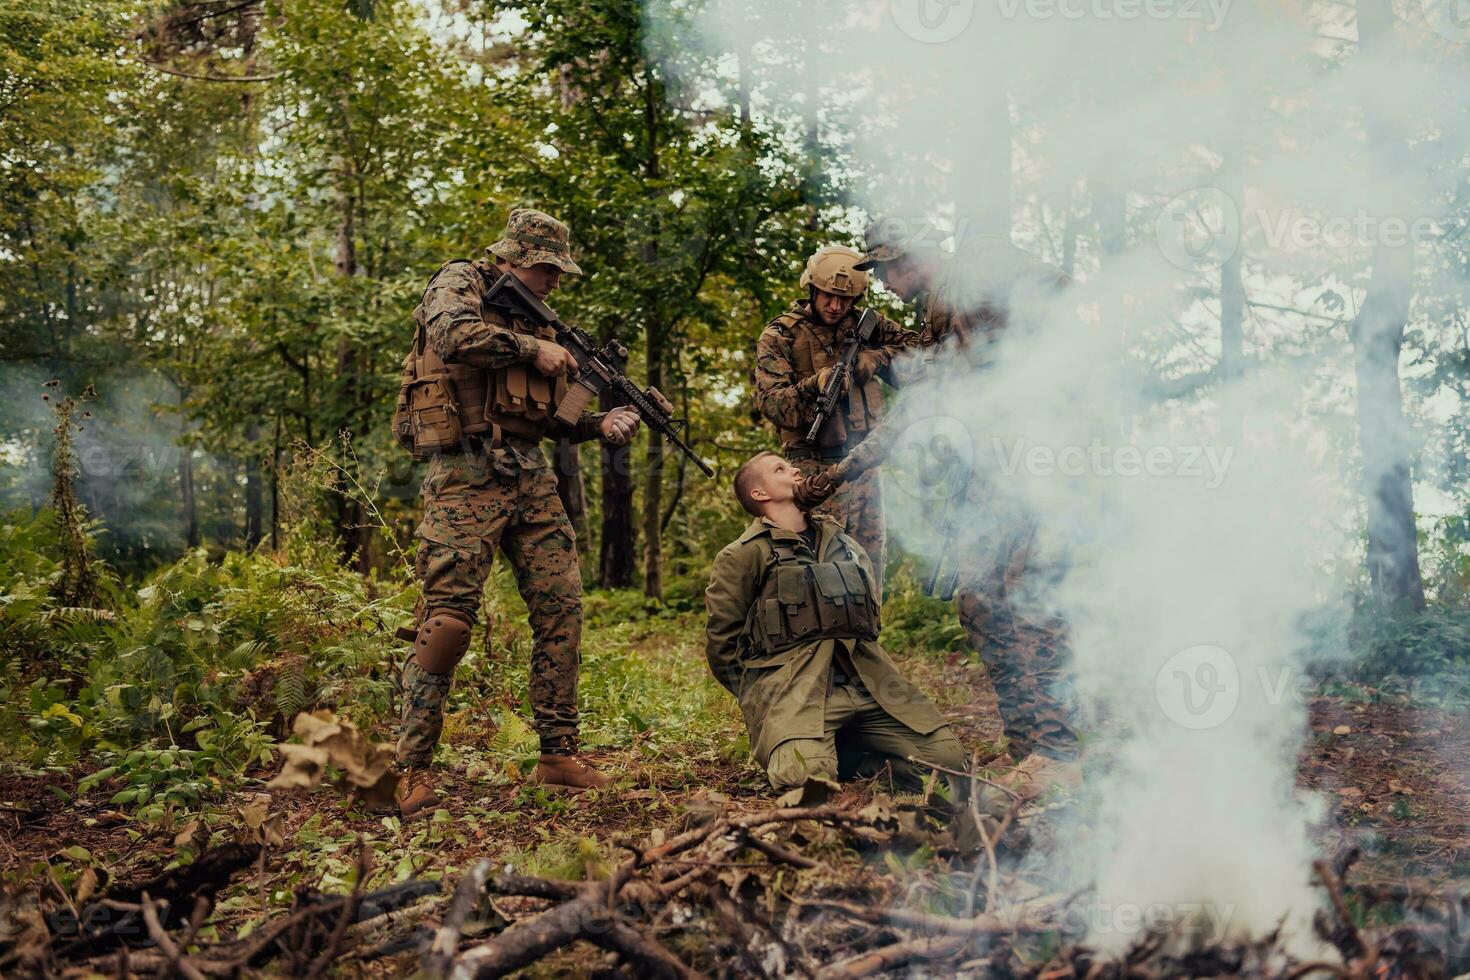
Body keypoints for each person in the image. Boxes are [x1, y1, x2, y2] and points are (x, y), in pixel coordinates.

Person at [395, 207, 666, 819]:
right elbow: (450, 335)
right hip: (464, 473)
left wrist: (601, 424)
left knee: (561, 605)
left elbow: (549, 420)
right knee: (447, 625)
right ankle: (410, 768)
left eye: (560, 271)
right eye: (548, 268)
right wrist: (531, 348)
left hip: (528, 473)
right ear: (515, 257)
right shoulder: (460, 280)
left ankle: (557, 754)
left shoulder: (537, 320)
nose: (555, 281)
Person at [796, 223, 1082, 800]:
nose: (891, 284)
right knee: (980, 603)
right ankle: (1028, 748)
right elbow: (914, 412)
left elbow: (1056, 290)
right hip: (987, 476)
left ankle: (1060, 753)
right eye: (882, 273)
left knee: (1031, 598)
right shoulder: (934, 321)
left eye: (896, 268)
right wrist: (842, 471)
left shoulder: (972, 272)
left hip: (1039, 460)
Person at [703, 450, 967, 805]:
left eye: (790, 464)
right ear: (759, 495)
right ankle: (814, 744)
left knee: (949, 765)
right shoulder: (743, 555)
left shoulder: (843, 543)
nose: (794, 469)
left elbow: (868, 622)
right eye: (780, 469)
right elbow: (723, 645)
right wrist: (763, 698)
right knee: (804, 779)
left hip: (866, 682)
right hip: (796, 692)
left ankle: (856, 752)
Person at [751, 245, 919, 598]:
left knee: (869, 572)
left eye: (845, 299)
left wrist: (876, 358)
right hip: (812, 469)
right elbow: (771, 404)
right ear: (812, 288)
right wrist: (816, 384)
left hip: (865, 463)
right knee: (818, 575)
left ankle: (865, 648)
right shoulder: (782, 334)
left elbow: (923, 354)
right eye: (828, 296)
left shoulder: (866, 326)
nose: (835, 306)